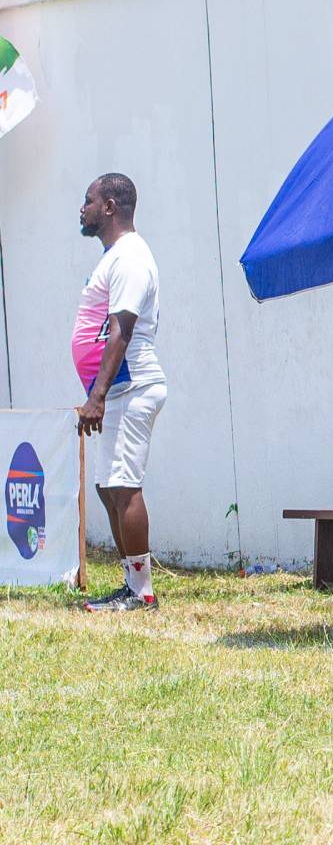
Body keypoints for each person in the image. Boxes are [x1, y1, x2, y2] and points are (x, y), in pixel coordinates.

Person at [71, 174, 167, 613]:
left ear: (109, 206)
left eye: (88, 200)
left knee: (125, 487)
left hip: (132, 386)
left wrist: (98, 396)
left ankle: (142, 593)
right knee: (108, 487)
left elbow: (121, 332)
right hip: (117, 390)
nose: (82, 208)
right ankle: (131, 583)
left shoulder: (130, 257)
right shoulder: (114, 256)